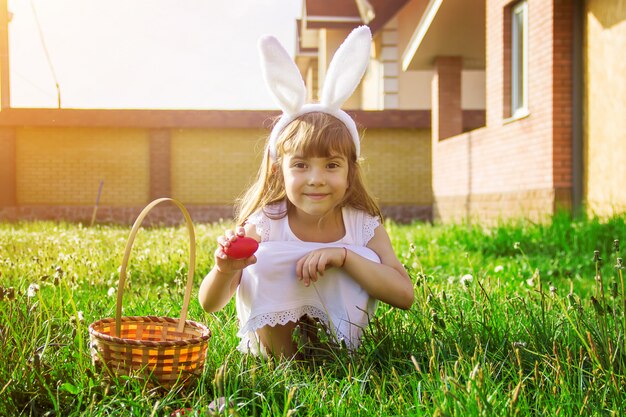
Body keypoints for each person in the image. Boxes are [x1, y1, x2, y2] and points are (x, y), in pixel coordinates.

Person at [198, 26, 414, 358]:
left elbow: (404, 295)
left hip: (342, 354)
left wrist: (344, 256)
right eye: (300, 165)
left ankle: (334, 356)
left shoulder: (360, 225)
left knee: (366, 260)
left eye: (331, 165)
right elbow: (210, 305)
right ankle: (284, 362)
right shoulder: (268, 223)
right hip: (275, 356)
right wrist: (225, 270)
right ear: (278, 170)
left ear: (350, 173)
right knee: (265, 257)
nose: (316, 179)